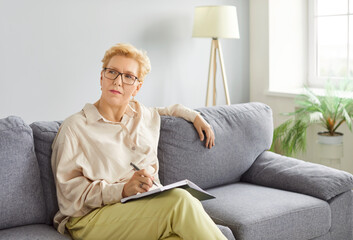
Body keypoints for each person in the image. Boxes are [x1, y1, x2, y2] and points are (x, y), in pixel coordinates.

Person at [51, 43, 227, 240]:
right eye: (112, 72)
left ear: (137, 87)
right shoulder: (75, 128)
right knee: (181, 201)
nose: (118, 81)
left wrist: (195, 116)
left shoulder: (142, 116)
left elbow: (167, 110)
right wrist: (122, 190)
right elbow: (70, 198)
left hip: (141, 209)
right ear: (101, 78)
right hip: (89, 219)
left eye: (128, 76)